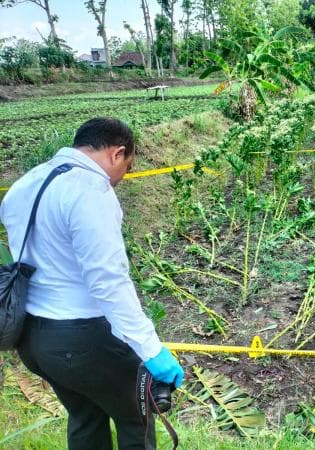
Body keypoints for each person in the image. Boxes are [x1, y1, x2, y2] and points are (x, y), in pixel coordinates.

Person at [0, 118, 184, 450]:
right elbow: (108, 282)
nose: (121, 180)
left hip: (32, 339)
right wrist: (151, 350)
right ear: (118, 153)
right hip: (81, 339)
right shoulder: (90, 189)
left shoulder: (25, 184)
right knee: (135, 419)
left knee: (86, 417)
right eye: (127, 169)